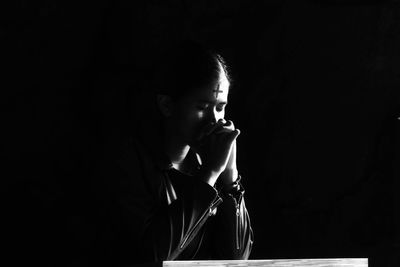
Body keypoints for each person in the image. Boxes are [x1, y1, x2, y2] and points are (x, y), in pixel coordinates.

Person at [94, 41, 253, 266]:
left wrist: (230, 176)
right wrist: (208, 176)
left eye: (220, 107)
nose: (214, 121)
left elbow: (237, 259)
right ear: (167, 105)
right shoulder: (128, 162)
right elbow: (153, 257)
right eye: (202, 107)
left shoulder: (207, 162)